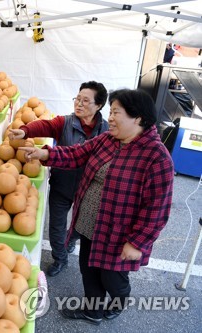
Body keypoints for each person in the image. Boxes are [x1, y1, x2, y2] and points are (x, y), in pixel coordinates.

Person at [18, 88, 174, 325]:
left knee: (112, 277)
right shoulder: (108, 140)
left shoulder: (156, 157)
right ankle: (93, 310)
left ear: (139, 118)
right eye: (110, 112)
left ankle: (119, 300)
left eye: (116, 113)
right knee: (88, 268)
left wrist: (138, 242)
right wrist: (44, 153)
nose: (110, 118)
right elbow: (76, 154)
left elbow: (157, 208)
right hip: (91, 224)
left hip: (120, 235)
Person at [8, 81, 109, 277]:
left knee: (81, 225)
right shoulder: (65, 122)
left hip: (88, 190)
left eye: (85, 101)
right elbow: (45, 125)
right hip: (62, 185)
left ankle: (72, 239)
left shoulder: (106, 131)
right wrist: (26, 130)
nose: (78, 104)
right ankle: (60, 258)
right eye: (77, 99)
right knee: (56, 226)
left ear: (98, 106)